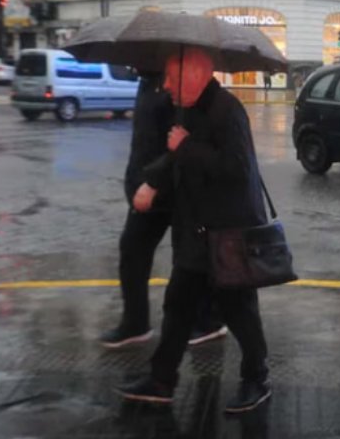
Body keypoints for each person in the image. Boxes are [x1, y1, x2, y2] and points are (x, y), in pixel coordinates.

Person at [117, 48, 272, 414]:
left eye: (172, 78)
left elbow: (236, 168)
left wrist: (185, 146)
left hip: (229, 234)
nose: (166, 86)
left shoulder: (227, 109)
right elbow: (175, 159)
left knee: (239, 312)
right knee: (178, 307)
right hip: (196, 232)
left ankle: (256, 377)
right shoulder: (188, 108)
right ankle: (161, 380)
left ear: (195, 75)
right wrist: (152, 183)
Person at [99, 72, 226, 349]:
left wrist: (154, 182)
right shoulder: (147, 81)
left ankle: (209, 320)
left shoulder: (177, 82)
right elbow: (145, 139)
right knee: (132, 250)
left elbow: (182, 139)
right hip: (145, 186)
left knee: (190, 259)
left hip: (176, 187)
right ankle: (135, 322)